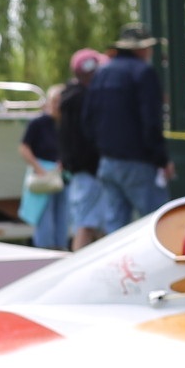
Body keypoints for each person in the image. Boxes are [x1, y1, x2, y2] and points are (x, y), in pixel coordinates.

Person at [84, 24, 170, 226]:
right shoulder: (144, 72)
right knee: (157, 223)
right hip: (139, 163)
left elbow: (87, 119)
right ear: (141, 49)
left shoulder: (101, 73)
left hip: (107, 162)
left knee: (116, 228)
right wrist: (162, 159)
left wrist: (102, 149)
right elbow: (151, 122)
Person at [59, 50, 112, 246]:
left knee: (92, 224)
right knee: (86, 225)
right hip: (89, 172)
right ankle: (80, 260)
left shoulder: (70, 97)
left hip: (81, 171)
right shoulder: (84, 99)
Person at [17, 84, 68, 251]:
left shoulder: (66, 123)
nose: (57, 105)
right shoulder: (38, 123)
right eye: (54, 101)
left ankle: (61, 248)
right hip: (43, 175)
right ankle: (45, 249)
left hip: (62, 175)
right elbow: (24, 147)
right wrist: (39, 168)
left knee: (62, 215)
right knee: (44, 216)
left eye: (60, 101)